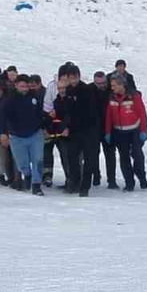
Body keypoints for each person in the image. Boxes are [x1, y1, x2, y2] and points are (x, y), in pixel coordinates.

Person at [55, 64, 102, 197]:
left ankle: (85, 187)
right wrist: (65, 126)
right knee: (72, 158)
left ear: (79, 76)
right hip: (74, 131)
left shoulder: (87, 90)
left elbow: (91, 111)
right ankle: (74, 182)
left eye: (75, 77)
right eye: (70, 78)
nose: (73, 80)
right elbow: (67, 111)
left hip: (89, 130)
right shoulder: (69, 90)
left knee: (89, 159)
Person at [0, 76, 47, 195]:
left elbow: (41, 113)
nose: (24, 89)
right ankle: (27, 174)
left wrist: (45, 127)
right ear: (16, 86)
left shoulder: (35, 97)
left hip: (35, 134)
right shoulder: (9, 100)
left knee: (38, 159)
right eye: (22, 86)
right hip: (17, 136)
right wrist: (3, 133)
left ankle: (36, 185)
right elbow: (2, 117)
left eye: (26, 86)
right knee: (22, 163)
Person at [105, 75, 147, 191]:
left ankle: (141, 175)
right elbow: (109, 116)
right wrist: (108, 131)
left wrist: (143, 130)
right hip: (119, 132)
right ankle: (129, 183)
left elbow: (142, 114)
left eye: (114, 85)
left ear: (121, 85)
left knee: (137, 155)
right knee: (124, 158)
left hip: (134, 131)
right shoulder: (112, 98)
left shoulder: (134, 96)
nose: (112, 88)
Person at [92, 71, 116, 188]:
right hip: (94, 128)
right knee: (93, 154)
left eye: (103, 83)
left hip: (109, 127)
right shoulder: (90, 90)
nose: (101, 85)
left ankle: (112, 180)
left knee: (110, 155)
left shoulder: (111, 91)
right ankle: (96, 176)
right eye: (98, 83)